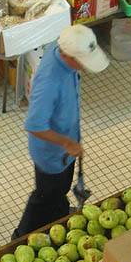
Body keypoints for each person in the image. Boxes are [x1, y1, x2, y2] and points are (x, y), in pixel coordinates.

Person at [12, 25, 109, 240]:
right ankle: (21, 236)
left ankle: (59, 216)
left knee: (61, 188)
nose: (84, 67)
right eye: (82, 62)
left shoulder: (61, 52)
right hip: (51, 153)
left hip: (66, 142)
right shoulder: (49, 83)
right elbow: (34, 125)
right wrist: (67, 143)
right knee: (46, 195)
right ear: (67, 56)